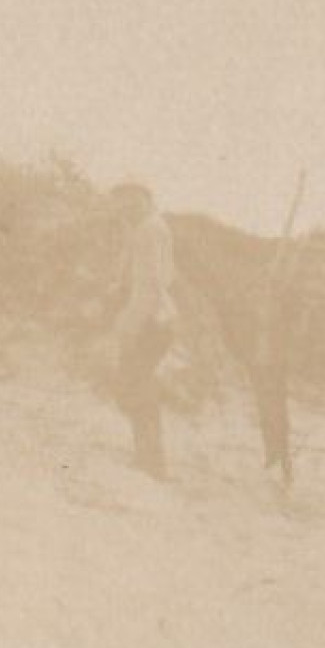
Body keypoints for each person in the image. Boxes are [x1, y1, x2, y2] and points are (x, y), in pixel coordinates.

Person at [107, 181, 178, 479]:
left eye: (132, 201)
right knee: (135, 384)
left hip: (151, 319)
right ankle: (146, 457)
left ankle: (154, 462)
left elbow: (151, 285)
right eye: (121, 202)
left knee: (136, 385)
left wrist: (128, 325)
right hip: (153, 317)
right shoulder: (145, 228)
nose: (126, 207)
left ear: (147, 199)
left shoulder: (150, 230)